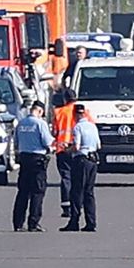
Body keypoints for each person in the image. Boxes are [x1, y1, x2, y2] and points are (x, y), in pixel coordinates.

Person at [12, 100, 54, 232]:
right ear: (40, 111)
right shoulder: (40, 123)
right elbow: (48, 142)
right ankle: (33, 222)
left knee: (23, 192)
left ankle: (18, 223)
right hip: (37, 159)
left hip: (24, 158)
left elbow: (16, 143)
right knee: (37, 192)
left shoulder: (21, 123)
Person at [61, 105, 100, 232]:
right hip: (93, 160)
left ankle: (74, 221)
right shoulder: (92, 126)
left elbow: (77, 147)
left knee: (77, 192)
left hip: (81, 160)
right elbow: (98, 145)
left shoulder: (78, 127)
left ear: (75, 114)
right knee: (89, 192)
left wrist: (67, 149)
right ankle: (91, 222)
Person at [52, 88, 79, 218]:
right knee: (78, 178)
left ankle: (66, 206)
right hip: (77, 149)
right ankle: (78, 205)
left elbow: (55, 132)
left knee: (65, 177)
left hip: (62, 148)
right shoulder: (82, 112)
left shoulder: (59, 112)